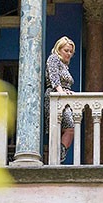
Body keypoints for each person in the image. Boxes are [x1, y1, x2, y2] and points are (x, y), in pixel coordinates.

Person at [46, 36, 78, 164]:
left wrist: (67, 92)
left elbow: (65, 85)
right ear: (58, 49)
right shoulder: (53, 59)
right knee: (67, 128)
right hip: (55, 97)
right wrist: (62, 93)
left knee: (69, 129)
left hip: (64, 98)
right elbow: (54, 80)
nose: (69, 53)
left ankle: (58, 158)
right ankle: (57, 159)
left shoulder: (65, 66)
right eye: (66, 50)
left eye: (71, 51)